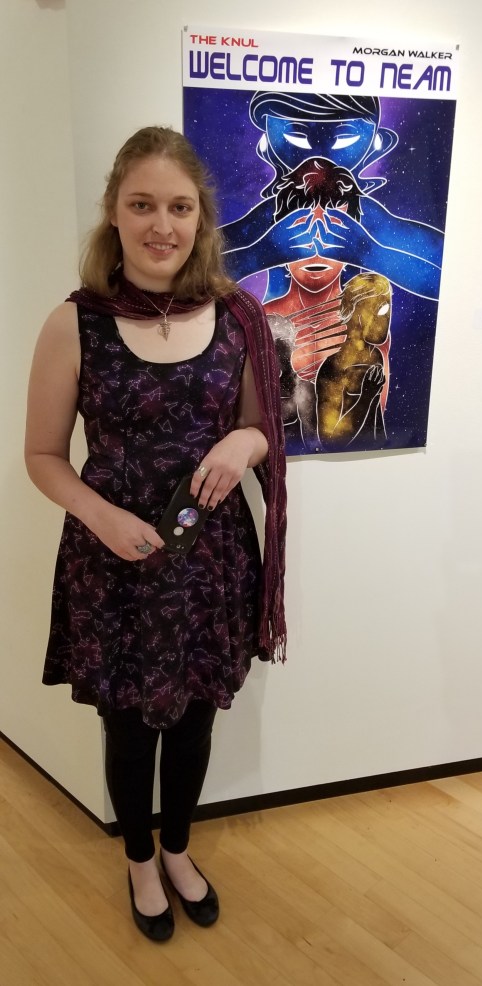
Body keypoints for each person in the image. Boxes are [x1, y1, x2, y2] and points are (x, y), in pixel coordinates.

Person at [25, 126, 287, 942]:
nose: (161, 225)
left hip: (211, 559)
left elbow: (262, 428)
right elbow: (42, 456)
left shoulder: (239, 317)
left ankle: (177, 848)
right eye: (142, 205)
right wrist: (101, 517)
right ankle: (139, 859)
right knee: (130, 725)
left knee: (199, 716)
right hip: (116, 564)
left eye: (178, 207)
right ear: (114, 211)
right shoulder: (74, 324)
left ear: (200, 216)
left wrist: (245, 443)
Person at [219, 91, 443, 302]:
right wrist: (261, 253)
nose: (320, 151)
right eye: (296, 136)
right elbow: (202, 268)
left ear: (376, 141)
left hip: (349, 326)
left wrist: (366, 251)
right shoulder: (274, 211)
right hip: (276, 325)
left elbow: (446, 274)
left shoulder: (365, 214)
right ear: (267, 140)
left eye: (344, 138)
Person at [263, 157, 391, 452]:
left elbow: (373, 428)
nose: (316, 248)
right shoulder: (265, 319)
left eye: (334, 232)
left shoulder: (368, 317)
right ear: (279, 238)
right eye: (301, 231)